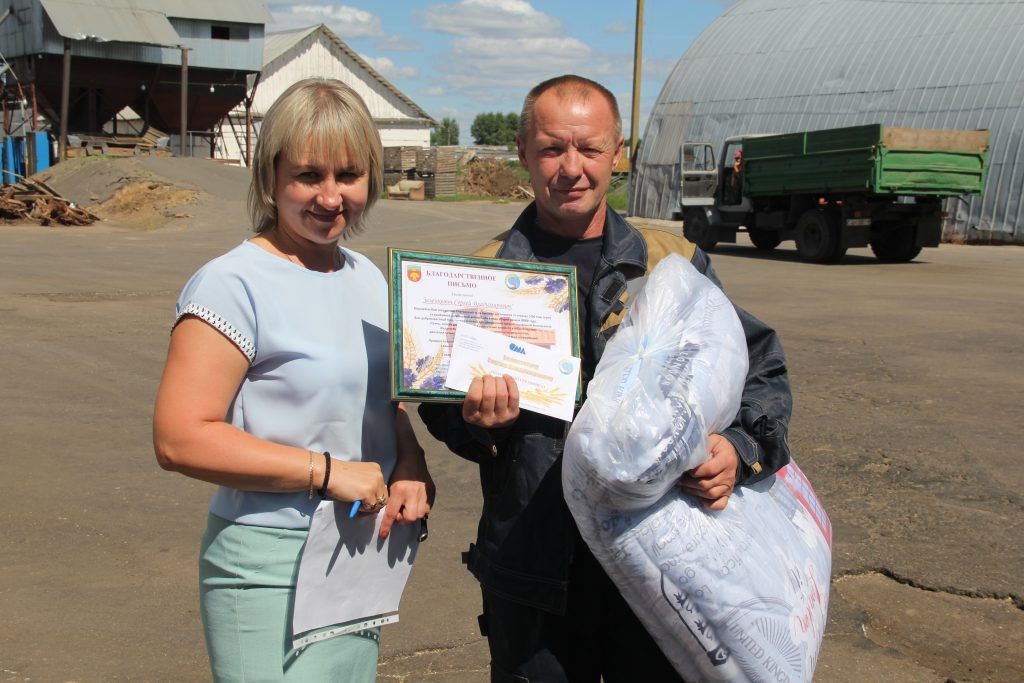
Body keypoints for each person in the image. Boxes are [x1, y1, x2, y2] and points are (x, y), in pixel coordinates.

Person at [418, 74, 792, 682]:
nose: (571, 168)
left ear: (618, 153)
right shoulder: (479, 277)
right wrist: (478, 424)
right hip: (535, 572)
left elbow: (753, 367)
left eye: (589, 149)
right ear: (523, 152)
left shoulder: (670, 260)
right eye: (551, 149)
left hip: (663, 565)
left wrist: (740, 447)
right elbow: (440, 409)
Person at [153, 78, 434, 682]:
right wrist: (328, 472)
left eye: (349, 175)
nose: (331, 198)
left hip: (358, 554)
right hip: (266, 565)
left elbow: (380, 401)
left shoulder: (368, 279)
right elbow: (180, 438)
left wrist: (408, 463)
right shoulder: (232, 284)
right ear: (269, 177)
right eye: (309, 175)